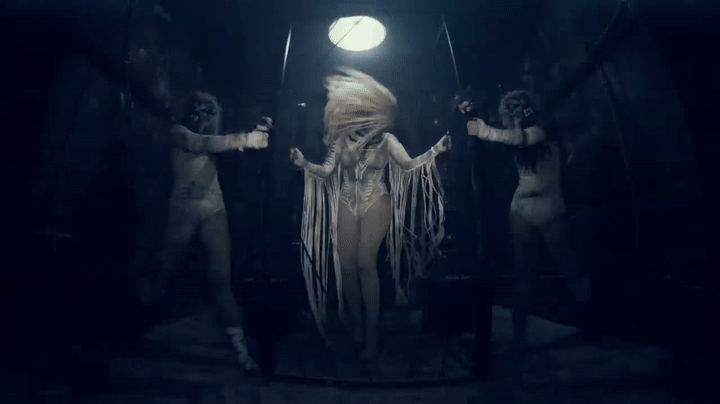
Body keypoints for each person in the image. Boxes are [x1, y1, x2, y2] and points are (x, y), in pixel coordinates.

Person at [290, 68, 451, 360]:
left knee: (365, 263)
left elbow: (408, 165)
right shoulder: (341, 140)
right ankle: (356, 326)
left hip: (377, 199)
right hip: (346, 201)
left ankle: (372, 335)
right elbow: (326, 171)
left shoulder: (387, 140)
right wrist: (304, 164)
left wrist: (434, 151)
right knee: (346, 268)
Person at [138, 90, 270, 371]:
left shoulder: (214, 138)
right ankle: (130, 322)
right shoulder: (179, 133)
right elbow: (203, 143)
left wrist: (257, 133)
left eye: (215, 111)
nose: (214, 117)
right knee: (161, 275)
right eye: (210, 111)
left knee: (221, 281)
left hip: (213, 210)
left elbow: (219, 143)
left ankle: (242, 355)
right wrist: (246, 139)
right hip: (183, 211)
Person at [459, 89, 591, 354]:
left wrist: (486, 131)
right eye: (509, 108)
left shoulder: (544, 128)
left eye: (517, 106)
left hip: (550, 207)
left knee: (570, 269)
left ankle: (592, 324)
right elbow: (507, 139)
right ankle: (519, 338)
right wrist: (472, 117)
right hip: (521, 208)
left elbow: (523, 138)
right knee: (523, 274)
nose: (514, 111)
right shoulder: (513, 135)